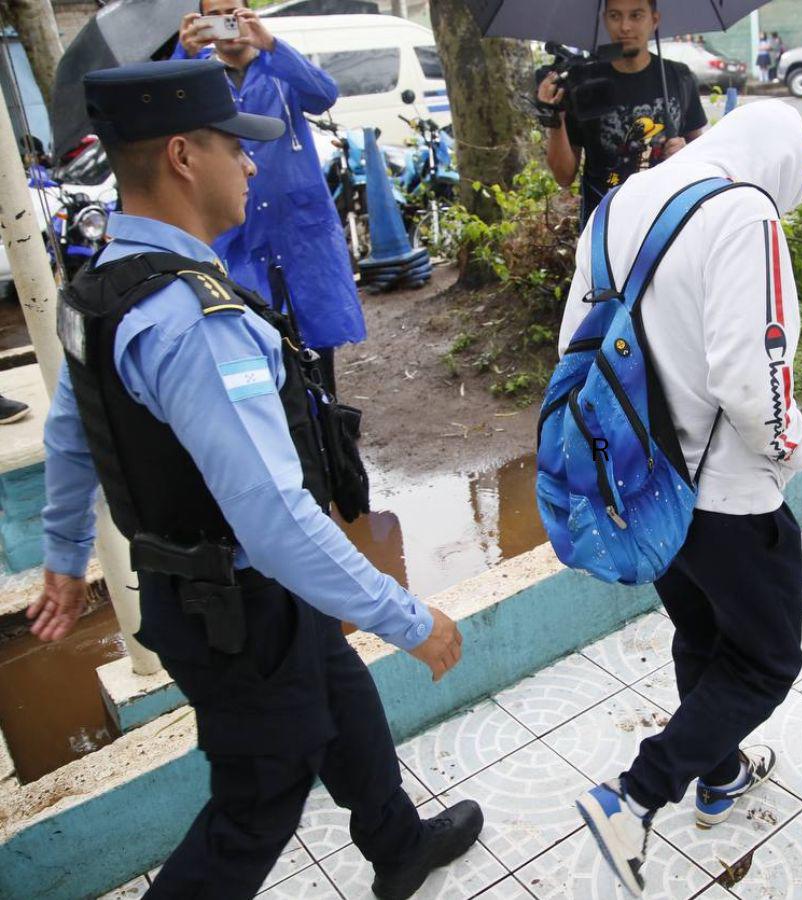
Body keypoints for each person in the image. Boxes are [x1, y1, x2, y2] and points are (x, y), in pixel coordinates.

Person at [31, 59, 481, 898]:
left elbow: (69, 435)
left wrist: (60, 553)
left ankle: (398, 846)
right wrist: (409, 619)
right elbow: (274, 518)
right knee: (258, 802)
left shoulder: (100, 289)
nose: (248, 162)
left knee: (342, 694)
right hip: (239, 609)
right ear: (181, 156)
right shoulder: (192, 322)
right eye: (233, 145)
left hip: (214, 592)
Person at [562, 100, 802, 896]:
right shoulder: (745, 211)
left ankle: (722, 773)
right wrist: (792, 452)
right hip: (729, 495)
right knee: (766, 660)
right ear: (781, 165)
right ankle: (635, 795)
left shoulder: (617, 204)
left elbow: (575, 341)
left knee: (702, 633)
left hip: (643, 486)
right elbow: (752, 379)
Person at [174, 2, 361, 393]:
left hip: (299, 226)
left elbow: (324, 94)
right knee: (250, 334)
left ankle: (326, 416)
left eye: (233, 11)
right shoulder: (197, 77)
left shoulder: (279, 68)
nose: (227, 22)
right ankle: (282, 418)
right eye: (215, 14)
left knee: (315, 336)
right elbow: (168, 119)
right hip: (237, 229)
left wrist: (271, 44)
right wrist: (183, 55)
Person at [538, 0, 707, 226]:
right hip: (605, 226)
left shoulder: (678, 77)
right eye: (615, 16)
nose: (625, 27)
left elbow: (704, 160)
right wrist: (555, 119)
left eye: (636, 16)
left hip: (668, 223)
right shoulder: (583, 83)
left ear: (654, 20)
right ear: (605, 20)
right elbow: (564, 176)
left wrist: (685, 155)